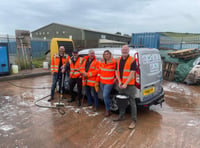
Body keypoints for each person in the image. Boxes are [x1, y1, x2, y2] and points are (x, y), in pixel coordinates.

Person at [114, 45, 137, 129]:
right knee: (121, 101)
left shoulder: (132, 60)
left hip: (129, 85)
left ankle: (134, 120)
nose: (124, 51)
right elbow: (116, 71)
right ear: (121, 50)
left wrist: (126, 83)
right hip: (121, 84)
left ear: (128, 51)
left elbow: (132, 72)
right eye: (123, 50)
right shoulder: (118, 60)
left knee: (132, 102)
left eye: (126, 50)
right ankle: (121, 116)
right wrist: (120, 82)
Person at [95, 50, 116, 117]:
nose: (106, 55)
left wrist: (115, 78)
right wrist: (97, 81)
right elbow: (99, 72)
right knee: (105, 97)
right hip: (102, 82)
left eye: (107, 54)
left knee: (104, 96)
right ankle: (109, 107)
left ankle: (107, 110)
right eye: (105, 54)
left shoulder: (114, 62)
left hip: (109, 82)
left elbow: (117, 71)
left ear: (110, 54)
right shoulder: (101, 62)